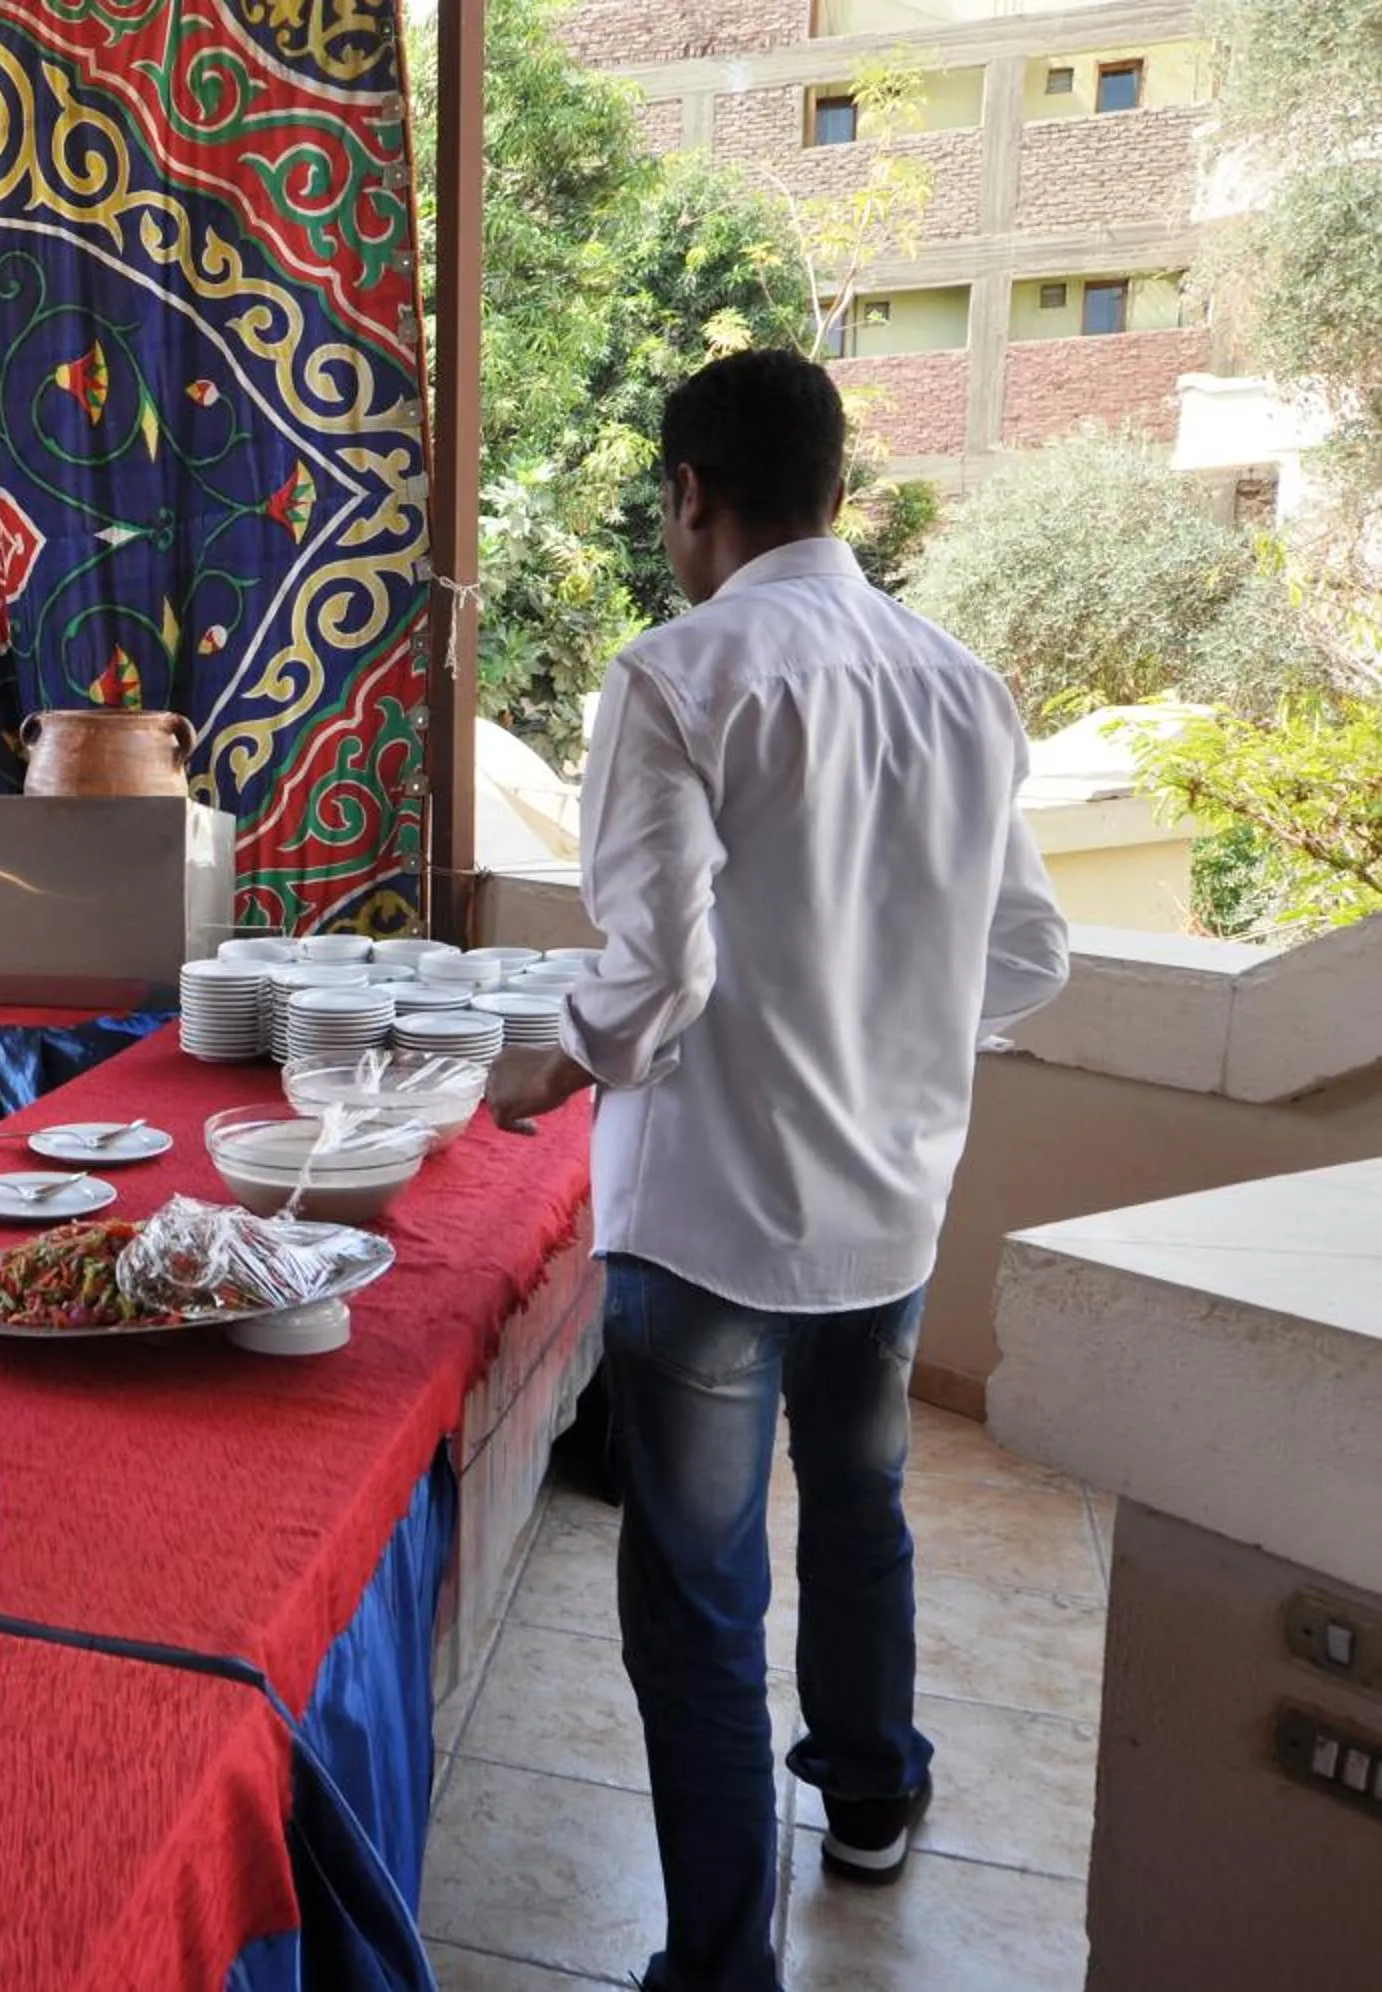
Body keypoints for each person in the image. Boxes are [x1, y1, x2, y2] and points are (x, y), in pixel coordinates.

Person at [485, 350, 1069, 1992]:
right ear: (838, 491)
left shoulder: (676, 675)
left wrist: (557, 1053)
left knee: (698, 1593)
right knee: (867, 1496)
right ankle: (873, 1789)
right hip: (891, 1203)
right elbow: (1025, 951)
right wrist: (880, 1024)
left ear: (692, 494)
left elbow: (652, 979)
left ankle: (722, 1964)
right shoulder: (960, 680)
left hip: (716, 1216)